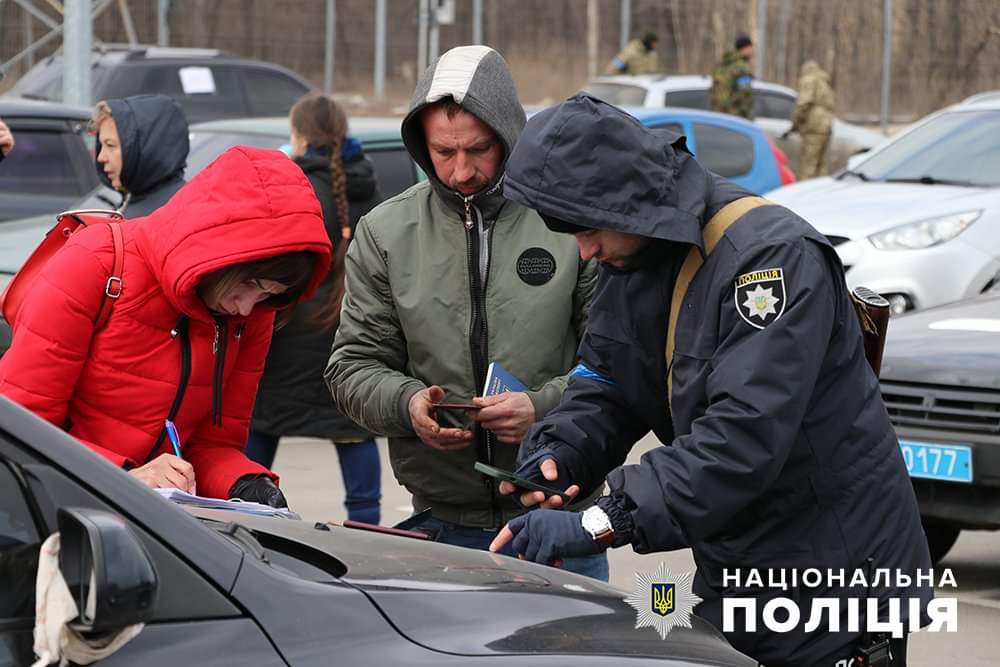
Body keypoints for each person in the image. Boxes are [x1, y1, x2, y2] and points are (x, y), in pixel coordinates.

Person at [488, 94, 932, 665]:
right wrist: (561, 452)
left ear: (626, 203)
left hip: (834, 576)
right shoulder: (634, 255)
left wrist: (605, 519)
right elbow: (607, 379)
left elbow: (744, 437)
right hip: (739, 560)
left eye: (588, 228)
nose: (586, 249)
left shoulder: (770, 258)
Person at [325, 46, 605, 579]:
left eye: (478, 150)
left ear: (508, 136)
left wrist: (541, 406)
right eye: (443, 151)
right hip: (439, 529)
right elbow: (351, 366)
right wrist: (407, 404)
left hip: (561, 521)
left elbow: (617, 361)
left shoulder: (571, 223)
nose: (461, 170)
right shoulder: (385, 235)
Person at [0, 146, 333, 506]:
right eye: (250, 284)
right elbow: (21, 430)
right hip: (56, 509)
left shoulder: (252, 314)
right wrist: (124, 476)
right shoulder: (96, 263)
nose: (248, 306)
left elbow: (213, 445)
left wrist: (246, 484)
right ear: (217, 252)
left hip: (153, 520)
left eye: (271, 294)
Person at [247, 93, 384, 525]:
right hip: (346, 334)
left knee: (261, 427)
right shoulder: (370, 187)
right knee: (352, 432)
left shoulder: (294, 186)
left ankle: (247, 517)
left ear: (300, 137)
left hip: (287, 337)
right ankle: (367, 528)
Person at [91, 94, 189, 217]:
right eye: (101, 145)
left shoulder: (174, 215)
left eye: (110, 145)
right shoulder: (133, 202)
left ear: (148, 147)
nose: (101, 157)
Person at [784, 60, 836, 180]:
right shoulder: (824, 82)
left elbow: (804, 103)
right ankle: (820, 192)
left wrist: (795, 124)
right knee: (821, 165)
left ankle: (805, 193)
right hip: (826, 126)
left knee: (808, 165)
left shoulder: (809, 80)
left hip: (813, 126)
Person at [710, 34, 755, 119]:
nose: (752, 50)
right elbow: (745, 94)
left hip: (719, 117)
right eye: (751, 47)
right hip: (736, 118)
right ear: (746, 48)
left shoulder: (722, 66)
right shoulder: (742, 68)